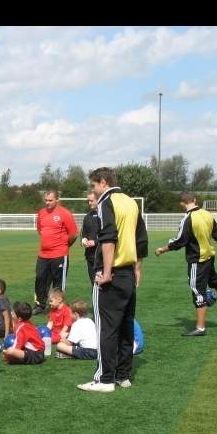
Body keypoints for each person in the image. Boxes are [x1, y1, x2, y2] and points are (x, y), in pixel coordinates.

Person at [78, 167, 148, 393]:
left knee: (106, 328)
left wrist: (106, 272)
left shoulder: (106, 203)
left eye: (94, 185)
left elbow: (108, 239)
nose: (93, 190)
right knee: (126, 325)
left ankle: (105, 379)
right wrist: (137, 268)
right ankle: (122, 375)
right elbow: (141, 239)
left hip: (112, 274)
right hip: (128, 272)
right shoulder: (130, 202)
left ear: (104, 182)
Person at [155, 191, 217, 336]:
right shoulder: (207, 214)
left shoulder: (187, 219)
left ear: (182, 204)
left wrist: (162, 249)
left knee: (197, 291)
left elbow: (179, 241)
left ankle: (200, 328)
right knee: (215, 282)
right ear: (195, 200)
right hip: (209, 257)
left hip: (197, 261)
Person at [33, 190, 78, 315]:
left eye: (50, 200)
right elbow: (40, 230)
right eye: (46, 200)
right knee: (40, 279)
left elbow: (74, 234)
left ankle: (59, 307)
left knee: (58, 283)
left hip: (59, 254)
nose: (47, 203)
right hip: (43, 255)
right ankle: (40, 305)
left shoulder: (65, 213)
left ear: (57, 200)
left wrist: (65, 245)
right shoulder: (41, 213)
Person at [81, 191, 100, 286]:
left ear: (98, 199)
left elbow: (110, 235)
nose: (89, 203)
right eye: (88, 201)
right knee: (94, 285)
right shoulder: (87, 217)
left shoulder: (105, 216)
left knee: (102, 286)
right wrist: (83, 240)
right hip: (90, 257)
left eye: (91, 201)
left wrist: (96, 242)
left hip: (102, 257)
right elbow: (83, 233)